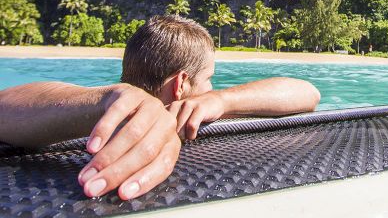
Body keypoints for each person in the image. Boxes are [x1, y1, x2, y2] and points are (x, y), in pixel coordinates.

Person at [0, 15, 320, 201]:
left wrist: (223, 100)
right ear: (181, 83)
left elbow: (307, 93)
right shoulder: (102, 109)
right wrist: (113, 101)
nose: (210, 88)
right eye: (208, 79)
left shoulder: (200, 108)